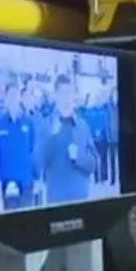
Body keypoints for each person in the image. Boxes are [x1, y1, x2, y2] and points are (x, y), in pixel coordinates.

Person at [35, 75, 99, 204]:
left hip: (80, 198)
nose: (67, 97)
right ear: (56, 95)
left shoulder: (83, 126)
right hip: (57, 199)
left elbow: (94, 164)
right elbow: (39, 162)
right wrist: (52, 136)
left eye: (70, 92)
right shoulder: (46, 125)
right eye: (63, 93)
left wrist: (79, 157)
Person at [0, 82, 37, 211]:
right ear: (5, 98)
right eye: (10, 96)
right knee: (11, 218)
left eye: (16, 95)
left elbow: (34, 150)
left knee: (28, 218)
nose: (13, 99)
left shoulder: (28, 123)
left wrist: (38, 177)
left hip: (26, 181)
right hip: (9, 183)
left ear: (19, 98)